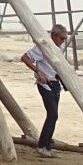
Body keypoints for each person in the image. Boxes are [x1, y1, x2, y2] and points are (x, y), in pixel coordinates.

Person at [21, 23, 70, 157]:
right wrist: (38, 71)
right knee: (52, 114)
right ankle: (42, 146)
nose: (63, 41)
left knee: (54, 116)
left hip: (55, 83)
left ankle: (47, 146)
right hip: (45, 84)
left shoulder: (60, 46)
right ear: (53, 35)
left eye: (65, 39)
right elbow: (25, 57)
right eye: (61, 38)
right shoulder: (42, 48)